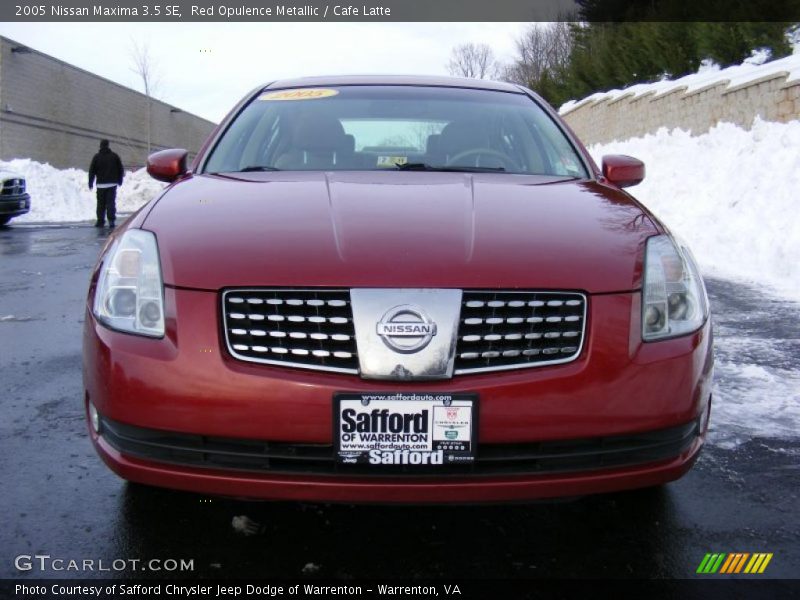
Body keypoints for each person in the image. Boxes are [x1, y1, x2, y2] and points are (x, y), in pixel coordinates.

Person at [88, 140, 124, 228]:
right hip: (112, 184)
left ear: (100, 146)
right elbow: (120, 169)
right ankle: (111, 221)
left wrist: (90, 182)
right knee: (110, 203)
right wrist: (120, 180)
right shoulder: (114, 156)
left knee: (100, 204)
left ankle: (100, 221)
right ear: (108, 145)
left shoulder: (96, 157)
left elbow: (92, 170)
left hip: (100, 184)